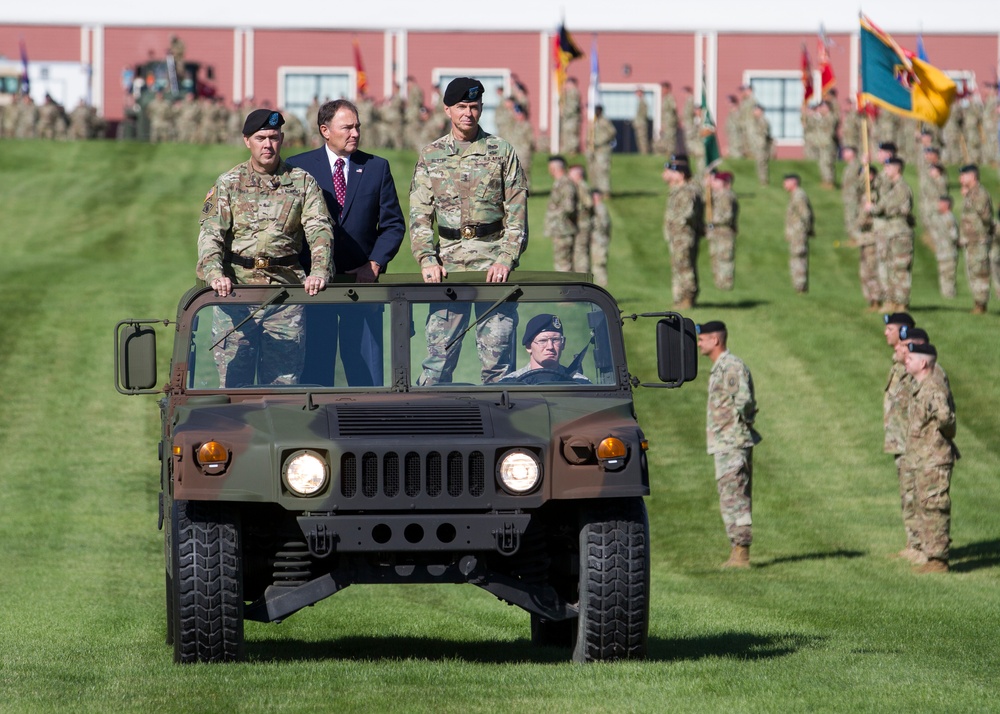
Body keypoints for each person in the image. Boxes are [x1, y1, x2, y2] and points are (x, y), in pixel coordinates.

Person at [197, 109, 334, 387]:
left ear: (282, 138)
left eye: (273, 137)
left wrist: (319, 270)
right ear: (247, 140)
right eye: (261, 138)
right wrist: (214, 274)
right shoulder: (229, 183)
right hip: (236, 296)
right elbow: (211, 234)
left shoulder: (302, 182)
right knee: (233, 386)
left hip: (284, 297)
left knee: (282, 387)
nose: (268, 144)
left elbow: (320, 229)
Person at [409, 77, 528, 385]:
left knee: (499, 367)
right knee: (437, 364)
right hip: (447, 268)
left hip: (492, 267)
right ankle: (434, 429)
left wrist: (506, 258)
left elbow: (516, 214)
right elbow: (420, 214)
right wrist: (426, 258)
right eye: (461, 107)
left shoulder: (501, 152)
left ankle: (504, 430)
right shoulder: (431, 155)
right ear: (447, 110)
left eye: (474, 107)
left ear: (481, 109)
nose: (468, 114)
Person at [286, 99, 406, 386]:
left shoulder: (376, 167)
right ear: (325, 130)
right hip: (315, 289)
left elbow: (393, 225)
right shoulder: (298, 167)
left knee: (366, 372)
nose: (355, 133)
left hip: (361, 287)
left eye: (357, 127)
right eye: (347, 127)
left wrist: (374, 264)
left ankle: (371, 426)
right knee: (315, 371)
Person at [697, 321, 761, 568]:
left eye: (702, 339)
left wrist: (739, 427)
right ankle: (736, 550)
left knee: (735, 496)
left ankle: (741, 553)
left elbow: (744, 401)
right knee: (729, 494)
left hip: (732, 442)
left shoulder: (730, 366)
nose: (699, 343)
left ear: (715, 340)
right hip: (726, 442)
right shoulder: (721, 367)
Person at [902, 342, 958, 574]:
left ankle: (938, 560)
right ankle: (929, 555)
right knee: (923, 504)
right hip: (923, 458)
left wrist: (940, 439)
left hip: (934, 458)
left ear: (923, 363)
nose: (906, 359)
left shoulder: (933, 388)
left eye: (911, 357)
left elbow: (946, 418)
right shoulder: (921, 386)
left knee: (934, 506)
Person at [882, 312, 921, 563]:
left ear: (903, 331)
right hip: (899, 440)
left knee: (915, 492)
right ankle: (912, 542)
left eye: (890, 328)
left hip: (911, 441)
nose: (885, 332)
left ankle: (919, 545)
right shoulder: (898, 363)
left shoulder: (914, 365)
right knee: (906, 493)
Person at [866, 157, 914, 311]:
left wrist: (872, 208)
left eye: (888, 167)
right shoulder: (892, 187)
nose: (885, 170)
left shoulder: (902, 188)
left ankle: (902, 302)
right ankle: (893, 300)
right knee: (891, 267)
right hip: (891, 232)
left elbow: (885, 207)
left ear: (897, 169)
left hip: (900, 232)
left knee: (900, 268)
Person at [498, 314, 591, 384]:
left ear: (563, 344)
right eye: (543, 341)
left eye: (555, 340)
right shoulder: (510, 383)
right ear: (528, 347)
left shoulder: (580, 383)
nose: (550, 347)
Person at [662, 155, 703, 309]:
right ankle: (680, 297)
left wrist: (674, 222)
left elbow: (687, 214)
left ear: (681, 174)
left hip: (683, 235)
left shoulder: (687, 191)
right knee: (678, 265)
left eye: (674, 171)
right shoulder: (677, 190)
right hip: (676, 235)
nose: (669, 174)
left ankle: (688, 296)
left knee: (685, 266)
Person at [958, 164, 994, 314]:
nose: (960, 178)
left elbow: (986, 217)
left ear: (972, 176)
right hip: (971, 240)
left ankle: (981, 304)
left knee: (980, 272)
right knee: (973, 272)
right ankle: (978, 303)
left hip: (978, 240)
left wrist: (982, 232)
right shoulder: (971, 193)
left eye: (963, 175)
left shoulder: (979, 194)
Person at [705, 170, 738, 291]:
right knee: (716, 259)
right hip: (716, 232)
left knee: (724, 260)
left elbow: (727, 215)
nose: (713, 182)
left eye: (716, 180)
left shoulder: (726, 195)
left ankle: (725, 286)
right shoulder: (718, 194)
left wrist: (712, 220)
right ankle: (720, 285)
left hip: (724, 232)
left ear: (723, 182)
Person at [545, 155, 578, 273]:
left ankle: (567, 291)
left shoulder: (565, 184)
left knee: (563, 267)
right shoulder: (560, 183)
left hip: (563, 231)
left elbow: (569, 207)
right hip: (560, 231)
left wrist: (555, 215)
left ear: (554, 168)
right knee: (561, 266)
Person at [783, 174, 814, 293]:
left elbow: (805, 214)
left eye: (786, 182)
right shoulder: (795, 195)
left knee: (798, 259)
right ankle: (798, 286)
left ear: (793, 182)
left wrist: (802, 230)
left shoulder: (799, 196)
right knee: (796, 259)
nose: (784, 184)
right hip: (796, 233)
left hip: (799, 233)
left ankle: (800, 287)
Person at [928, 194, 959, 299]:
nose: (938, 205)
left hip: (949, 253)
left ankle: (949, 297)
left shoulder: (949, 217)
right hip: (942, 252)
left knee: (948, 277)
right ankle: (946, 297)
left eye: (940, 203)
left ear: (947, 204)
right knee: (943, 276)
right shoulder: (940, 217)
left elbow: (954, 236)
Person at [568, 164, 594, 273]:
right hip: (579, 224)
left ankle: (582, 278)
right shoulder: (578, 186)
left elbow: (589, 203)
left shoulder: (582, 186)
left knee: (581, 252)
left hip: (582, 224)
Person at [586, 105, 616, 194]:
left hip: (602, 149)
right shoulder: (593, 121)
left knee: (602, 170)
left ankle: (605, 190)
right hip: (592, 149)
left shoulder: (604, 121)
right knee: (592, 170)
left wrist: (601, 141)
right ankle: (595, 189)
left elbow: (612, 132)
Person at [590, 189, 612, 287]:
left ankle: (601, 292)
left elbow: (604, 226)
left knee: (598, 267)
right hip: (599, 241)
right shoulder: (599, 208)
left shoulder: (600, 209)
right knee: (596, 266)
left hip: (599, 241)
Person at [560, 77, 582, 154]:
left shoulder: (573, 92)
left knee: (571, 135)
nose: (566, 85)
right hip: (568, 118)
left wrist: (565, 112)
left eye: (567, 83)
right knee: (566, 135)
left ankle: (572, 151)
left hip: (572, 118)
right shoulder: (568, 92)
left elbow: (573, 106)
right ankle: (567, 150)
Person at [633, 89, 650, 155]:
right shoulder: (640, 101)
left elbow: (643, 114)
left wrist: (640, 122)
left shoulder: (643, 102)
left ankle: (644, 152)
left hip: (641, 124)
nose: (637, 94)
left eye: (638, 92)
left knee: (643, 139)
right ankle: (642, 152)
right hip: (639, 123)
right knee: (639, 139)